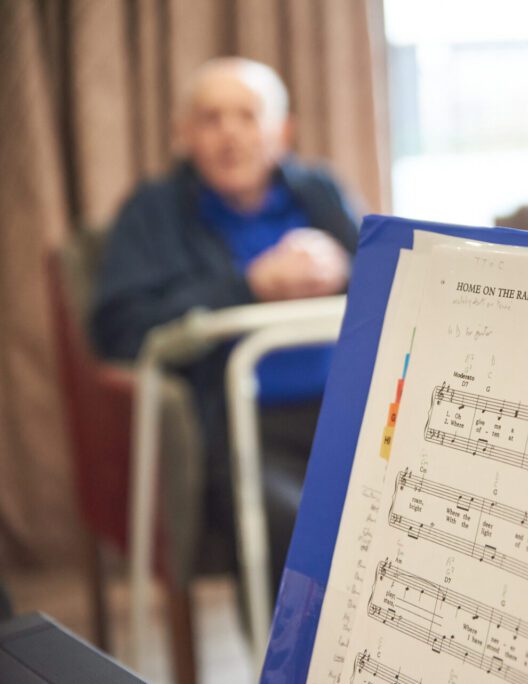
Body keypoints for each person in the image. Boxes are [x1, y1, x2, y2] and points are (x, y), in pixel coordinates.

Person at [91, 57, 360, 593]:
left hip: (350, 415)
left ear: (282, 132)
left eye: (248, 116)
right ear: (184, 134)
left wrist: (348, 269)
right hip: (240, 426)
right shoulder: (154, 211)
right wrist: (250, 284)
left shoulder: (319, 193)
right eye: (211, 119)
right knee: (300, 534)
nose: (230, 133)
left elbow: (392, 288)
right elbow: (119, 330)